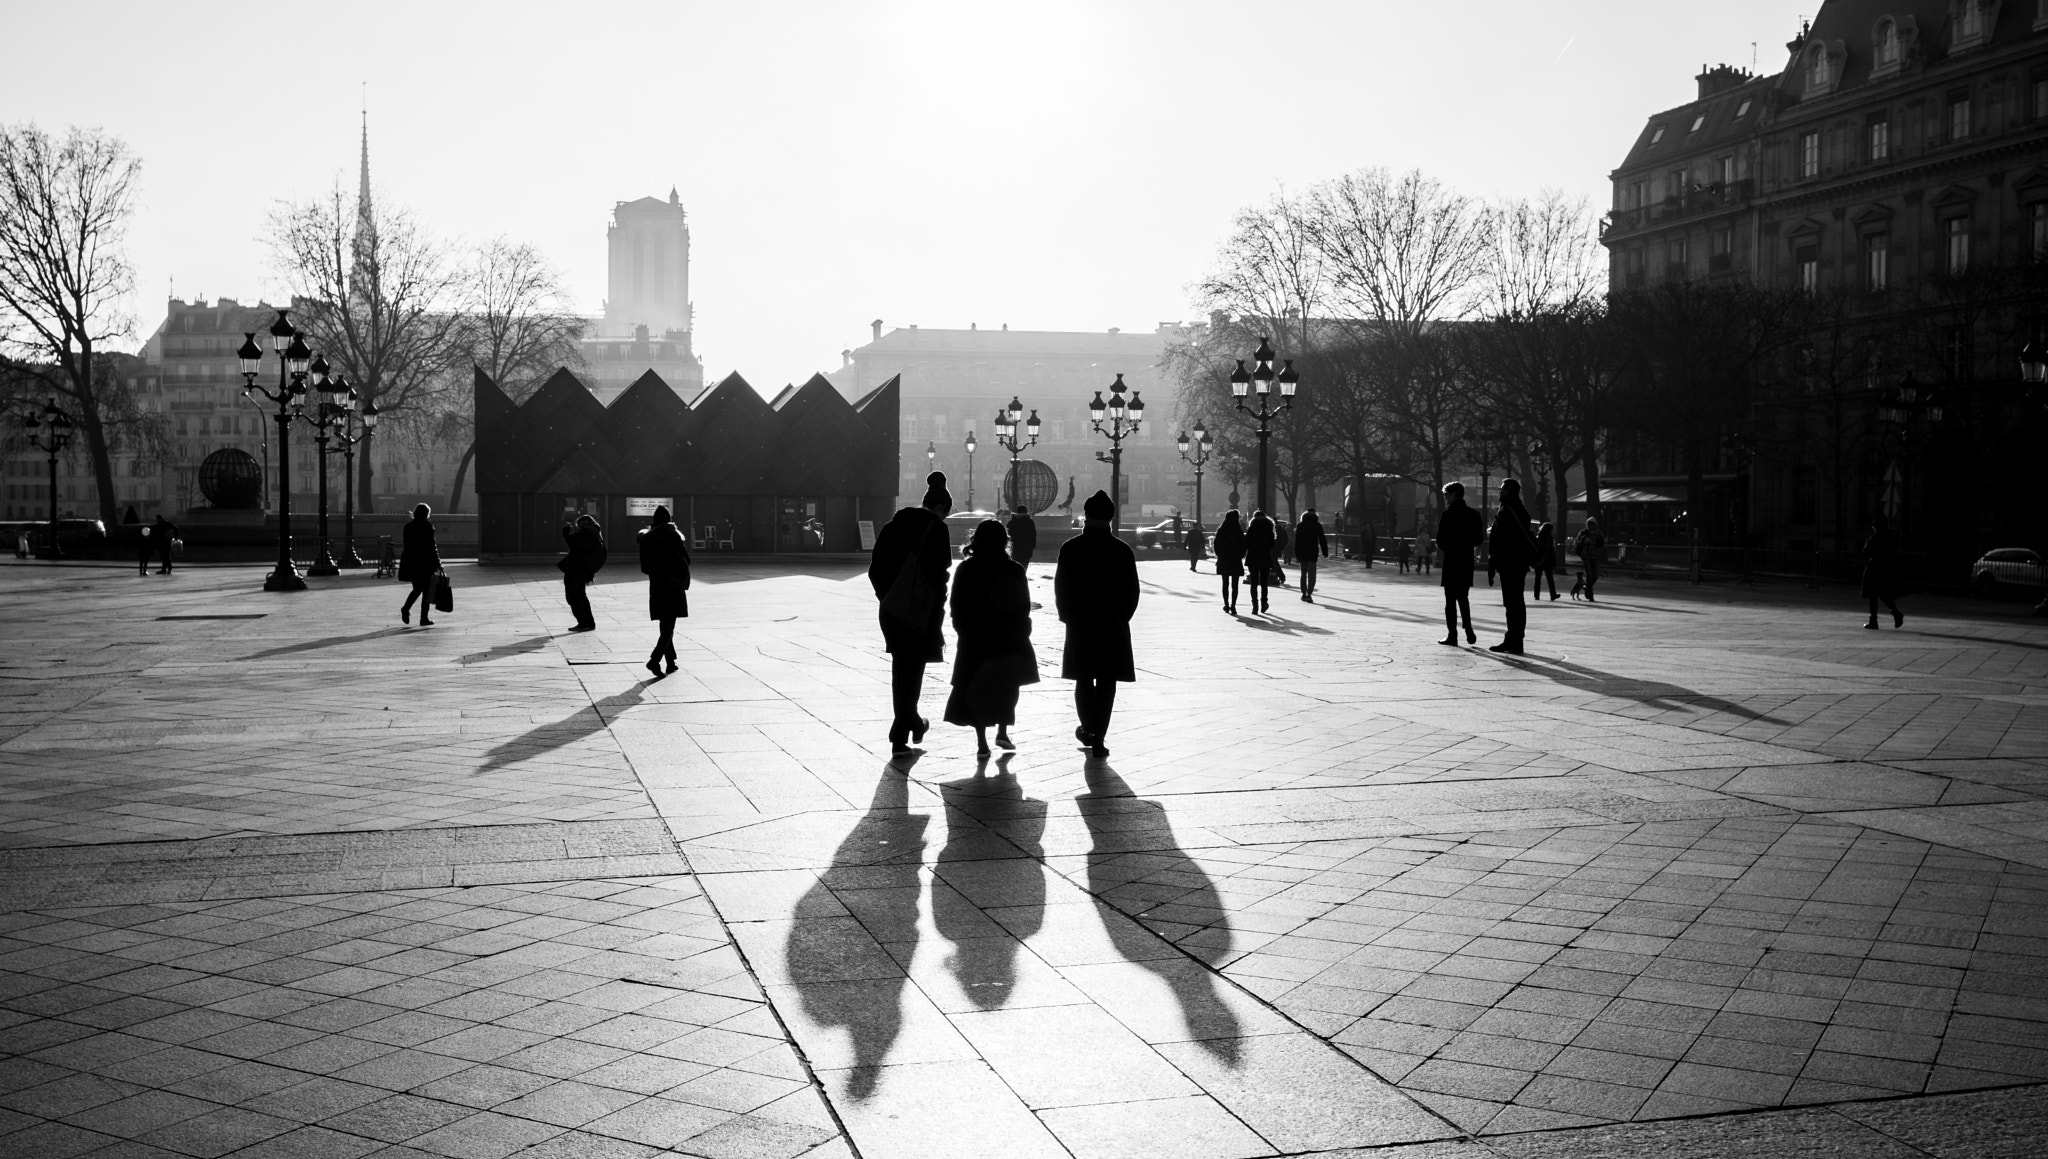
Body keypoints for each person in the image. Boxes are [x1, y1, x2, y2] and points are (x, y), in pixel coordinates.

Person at [869, 471, 954, 753]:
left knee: (900, 667)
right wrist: (936, 617)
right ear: (942, 508)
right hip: (920, 609)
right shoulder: (937, 529)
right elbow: (938, 578)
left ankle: (907, 726)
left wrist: (889, 597)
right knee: (913, 669)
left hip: (890, 609)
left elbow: (875, 569)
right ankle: (903, 729)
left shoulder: (892, 526)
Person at [1055, 491, 1138, 758]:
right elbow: (1132, 593)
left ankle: (1088, 728)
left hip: (1080, 624)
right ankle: (1097, 735)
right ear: (1111, 518)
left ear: (1086, 515)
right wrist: (1120, 616)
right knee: (1106, 682)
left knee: (1083, 678)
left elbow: (1061, 588)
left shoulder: (1070, 548)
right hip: (1112, 624)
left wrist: (1067, 616)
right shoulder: (1122, 550)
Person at [944, 519, 1039, 755]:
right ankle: (1003, 731)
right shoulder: (1014, 569)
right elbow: (1023, 606)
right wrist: (1022, 631)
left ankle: (981, 742)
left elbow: (956, 604)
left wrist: (963, 631)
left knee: (975, 689)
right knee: (1008, 686)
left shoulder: (966, 569)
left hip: (975, 639)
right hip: (1008, 638)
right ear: (1003, 541)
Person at [637, 505, 690, 679]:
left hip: (657, 585)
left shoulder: (646, 539)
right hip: (672, 585)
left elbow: (645, 567)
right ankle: (654, 660)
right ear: (668, 519)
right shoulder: (673, 535)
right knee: (668, 627)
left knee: (665, 624)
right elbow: (686, 560)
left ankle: (671, 662)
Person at [1486, 479, 1538, 655]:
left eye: (1501, 489)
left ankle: (1514, 640)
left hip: (1509, 562)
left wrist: (1493, 563)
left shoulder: (1507, 510)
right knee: (1516, 602)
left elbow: (1499, 540)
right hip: (1518, 562)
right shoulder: (1519, 509)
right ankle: (1515, 639)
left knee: (1512, 603)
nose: (1499, 492)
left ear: (1508, 491)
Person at [1435, 483, 1482, 646]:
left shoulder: (1447, 515)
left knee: (1450, 600)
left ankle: (1452, 634)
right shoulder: (1474, 515)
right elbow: (1479, 539)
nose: (1445, 497)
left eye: (1447, 494)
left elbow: (1440, 540)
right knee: (1463, 597)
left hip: (1451, 560)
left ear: (1454, 494)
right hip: (1466, 560)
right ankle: (1468, 627)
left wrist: (1451, 545)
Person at [559, 513, 607, 631]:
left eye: (578, 525)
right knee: (578, 595)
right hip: (581, 569)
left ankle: (585, 622)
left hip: (578, 569)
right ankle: (586, 622)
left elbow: (575, 544)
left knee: (575, 595)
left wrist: (566, 533)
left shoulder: (588, 531)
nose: (578, 527)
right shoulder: (595, 531)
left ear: (583, 523)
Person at [398, 504, 441, 627]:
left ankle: (406, 608)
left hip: (412, 562)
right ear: (427, 514)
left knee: (417, 589)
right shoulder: (428, 526)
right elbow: (432, 547)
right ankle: (423, 618)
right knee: (427, 591)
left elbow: (407, 546)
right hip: (426, 562)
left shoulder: (408, 527)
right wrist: (438, 563)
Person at [1862, 512, 1904, 629]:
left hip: (1875, 568)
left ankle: (1874, 621)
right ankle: (1895, 613)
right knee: (1884, 595)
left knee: (1873, 596)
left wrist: (1868, 542)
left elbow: (1866, 552)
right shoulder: (1891, 537)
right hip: (1887, 568)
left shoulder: (1874, 538)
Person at [1244, 509, 1277, 614]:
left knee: (1253, 582)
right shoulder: (1268, 527)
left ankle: (1255, 604)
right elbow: (1272, 544)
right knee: (1264, 582)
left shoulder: (1252, 528)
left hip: (1253, 557)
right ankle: (1264, 602)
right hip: (1265, 557)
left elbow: (1247, 543)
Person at [1212, 510, 1245, 612]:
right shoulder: (1238, 531)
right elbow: (1243, 546)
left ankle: (1226, 604)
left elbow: (1216, 545)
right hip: (1235, 560)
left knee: (1225, 583)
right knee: (1235, 585)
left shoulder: (1221, 530)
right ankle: (1233, 605)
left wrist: (1220, 555)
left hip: (1224, 559)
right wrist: (1239, 556)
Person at [1294, 509, 1329, 602]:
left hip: (1302, 552)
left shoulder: (1300, 525)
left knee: (1303, 574)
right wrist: (1325, 552)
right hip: (1312, 552)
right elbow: (1322, 539)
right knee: (1312, 575)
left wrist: (1296, 554)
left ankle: (1303, 593)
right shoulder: (1317, 526)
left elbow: (1297, 541)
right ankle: (1309, 593)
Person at [1572, 516, 1605, 602]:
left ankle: (1586, 587)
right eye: (1589, 524)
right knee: (1589, 575)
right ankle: (1590, 595)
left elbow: (1602, 544)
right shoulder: (1583, 532)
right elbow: (1576, 542)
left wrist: (1599, 542)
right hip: (1586, 556)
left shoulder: (1598, 533)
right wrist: (1583, 540)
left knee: (1596, 575)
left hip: (1595, 556)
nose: (1591, 526)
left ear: (1595, 525)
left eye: (1592, 524)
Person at [1532, 521, 1560, 601]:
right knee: (1550, 579)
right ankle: (1553, 594)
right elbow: (1550, 549)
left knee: (1537, 578)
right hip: (1547, 560)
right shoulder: (1549, 537)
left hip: (1539, 560)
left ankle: (1536, 595)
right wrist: (1553, 559)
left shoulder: (1538, 536)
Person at [1008, 504, 1038, 575]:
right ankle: (1022, 578)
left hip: (1015, 547)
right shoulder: (1029, 522)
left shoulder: (1013, 521)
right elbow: (1033, 535)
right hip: (1026, 548)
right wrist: (1032, 547)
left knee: (1015, 565)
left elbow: (1009, 533)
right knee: (1024, 566)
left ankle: (1016, 578)